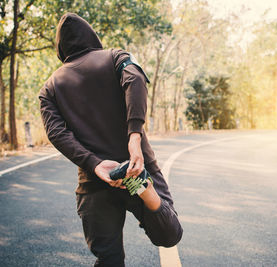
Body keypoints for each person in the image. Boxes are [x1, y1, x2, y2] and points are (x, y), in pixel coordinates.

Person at [39, 13, 183, 266]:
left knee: (109, 258)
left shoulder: (49, 87)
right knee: (169, 234)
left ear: (60, 49)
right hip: (136, 166)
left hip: (95, 181)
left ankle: (142, 188)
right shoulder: (115, 56)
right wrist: (134, 137)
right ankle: (144, 189)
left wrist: (94, 164)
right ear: (92, 36)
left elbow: (56, 132)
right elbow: (135, 79)